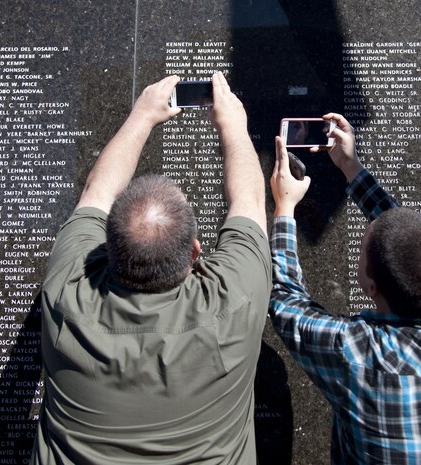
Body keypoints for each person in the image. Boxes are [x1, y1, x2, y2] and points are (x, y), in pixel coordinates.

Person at [31, 73, 271, 464]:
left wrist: (141, 116)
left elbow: (97, 193)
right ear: (196, 251)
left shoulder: (66, 294)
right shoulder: (234, 305)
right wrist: (235, 126)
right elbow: (249, 202)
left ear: (109, 249)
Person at [269, 113, 421, 464]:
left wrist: (284, 207)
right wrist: (352, 168)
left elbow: (287, 305)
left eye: (363, 251)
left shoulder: (360, 357)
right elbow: (409, 241)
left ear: (370, 286)